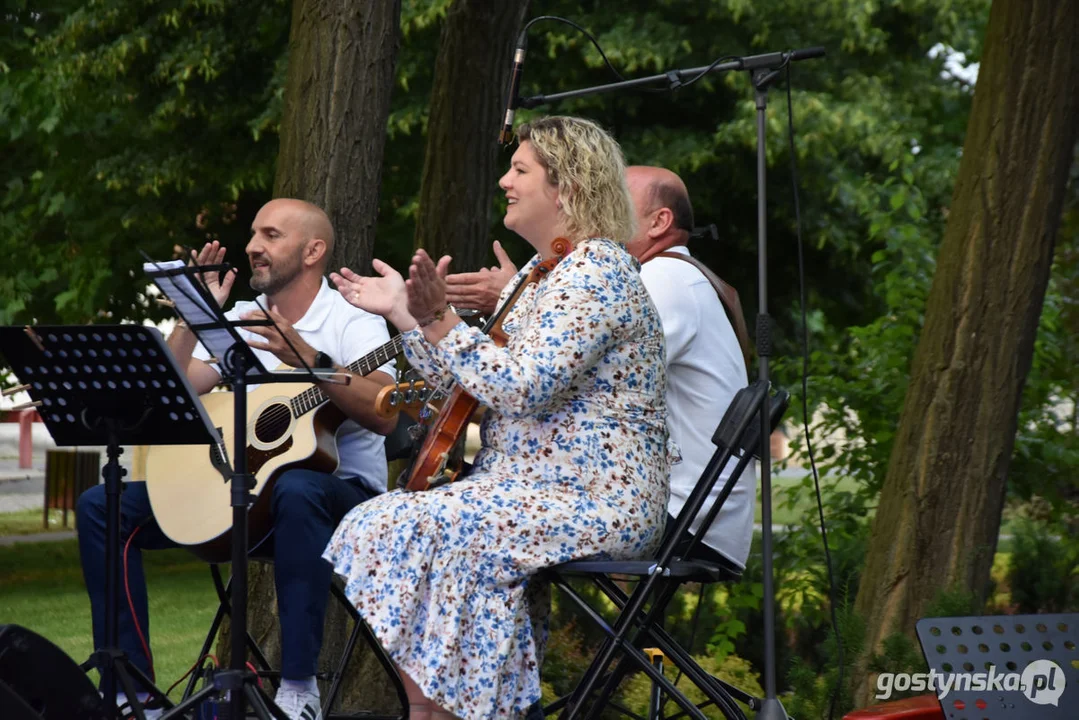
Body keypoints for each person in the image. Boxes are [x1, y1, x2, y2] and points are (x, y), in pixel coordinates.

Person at [324, 116, 671, 720]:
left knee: (417, 527)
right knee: (381, 522)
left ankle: (442, 712)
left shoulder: (597, 274)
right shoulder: (543, 276)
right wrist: (407, 317)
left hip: (592, 498)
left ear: (566, 186)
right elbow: (467, 388)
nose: (505, 180)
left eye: (521, 170)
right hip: (525, 491)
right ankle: (443, 710)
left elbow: (522, 387)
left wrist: (438, 320)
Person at [76, 198, 397, 720]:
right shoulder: (239, 320)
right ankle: (132, 697)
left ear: (313, 250)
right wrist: (190, 317)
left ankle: (298, 692)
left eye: (270, 235)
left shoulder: (351, 318)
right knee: (100, 505)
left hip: (338, 499)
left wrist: (311, 362)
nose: (252, 247)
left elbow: (385, 412)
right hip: (241, 495)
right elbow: (168, 396)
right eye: (253, 235)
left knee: (297, 488)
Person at [446, 165, 754, 569]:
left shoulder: (664, 278)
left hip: (680, 514)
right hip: (680, 506)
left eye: (615, 199)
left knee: (460, 520)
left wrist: (513, 301)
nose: (597, 207)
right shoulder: (665, 276)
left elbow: (548, 376)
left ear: (659, 222)